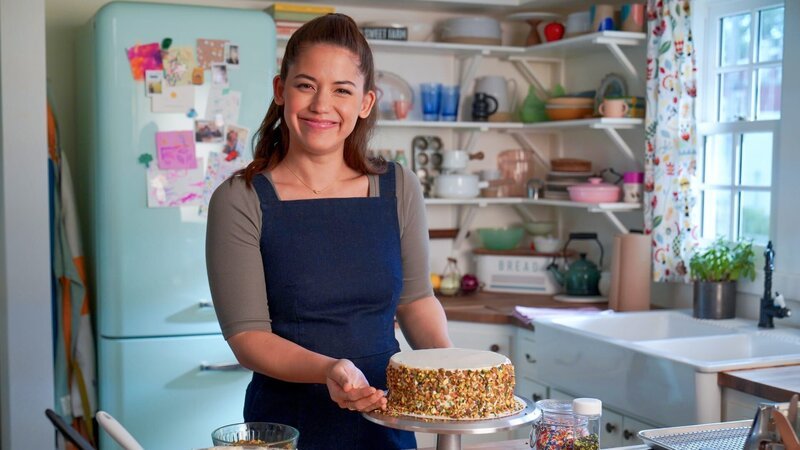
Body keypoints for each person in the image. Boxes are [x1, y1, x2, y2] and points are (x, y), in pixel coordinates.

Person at [205, 13, 452, 450]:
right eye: (306, 85)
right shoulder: (239, 198)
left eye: (342, 90)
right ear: (281, 90)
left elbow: (415, 301)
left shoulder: (398, 187)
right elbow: (248, 338)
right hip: (288, 429)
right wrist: (328, 369)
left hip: (386, 419)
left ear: (365, 103)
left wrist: (454, 369)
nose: (322, 105)